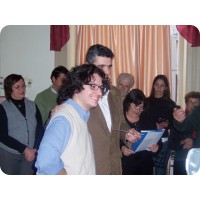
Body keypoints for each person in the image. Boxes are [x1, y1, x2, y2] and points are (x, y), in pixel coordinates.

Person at [35, 64, 110, 175]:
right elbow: (45, 163)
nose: (99, 93)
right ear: (76, 87)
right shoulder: (64, 119)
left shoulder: (81, 116)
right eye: (93, 86)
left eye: (100, 88)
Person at [86, 44, 123, 175]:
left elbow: (120, 123)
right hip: (92, 167)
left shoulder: (116, 93)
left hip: (114, 167)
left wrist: (129, 133)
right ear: (89, 66)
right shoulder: (79, 94)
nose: (107, 72)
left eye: (109, 66)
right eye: (102, 66)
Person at [0, 74, 44, 175]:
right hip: (9, 155)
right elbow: (2, 135)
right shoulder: (3, 108)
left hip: (30, 154)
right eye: (17, 87)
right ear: (9, 89)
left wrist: (35, 149)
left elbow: (40, 129)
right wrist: (24, 149)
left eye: (23, 86)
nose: (22, 89)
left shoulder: (32, 105)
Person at [142, 74, 176, 175]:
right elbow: (141, 120)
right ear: (153, 86)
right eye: (157, 85)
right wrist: (154, 125)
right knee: (145, 169)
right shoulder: (146, 102)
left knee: (159, 171)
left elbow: (175, 124)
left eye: (162, 85)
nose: (159, 88)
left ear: (166, 87)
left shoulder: (171, 104)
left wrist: (168, 124)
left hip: (163, 140)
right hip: (148, 139)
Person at [120, 89, 159, 175]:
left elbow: (156, 138)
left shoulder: (147, 118)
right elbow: (114, 138)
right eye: (135, 106)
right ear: (128, 103)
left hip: (145, 165)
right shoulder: (120, 118)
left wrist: (156, 148)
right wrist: (122, 148)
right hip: (126, 165)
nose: (138, 110)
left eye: (141, 107)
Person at [170, 91, 200, 175]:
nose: (193, 104)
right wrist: (183, 141)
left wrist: (192, 141)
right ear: (187, 104)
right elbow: (172, 143)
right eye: (191, 102)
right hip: (182, 155)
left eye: (196, 102)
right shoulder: (179, 118)